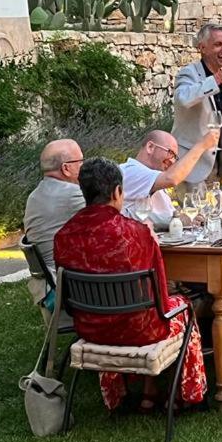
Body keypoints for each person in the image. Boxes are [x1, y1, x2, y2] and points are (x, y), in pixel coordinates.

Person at [54, 158, 207, 413]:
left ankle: (142, 392)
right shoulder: (136, 233)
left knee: (143, 308)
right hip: (139, 330)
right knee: (182, 305)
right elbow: (160, 295)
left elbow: (69, 299)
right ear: (117, 192)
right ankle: (187, 394)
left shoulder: (64, 235)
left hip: (91, 327)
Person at [172, 23, 222, 185]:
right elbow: (183, 99)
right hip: (192, 168)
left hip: (218, 169)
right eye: (218, 44)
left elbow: (218, 118)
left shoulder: (221, 76)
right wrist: (218, 79)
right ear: (202, 48)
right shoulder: (189, 73)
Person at [120, 128, 220, 228]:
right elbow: (172, 179)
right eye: (170, 153)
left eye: (175, 157)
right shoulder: (130, 171)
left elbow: (167, 216)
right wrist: (201, 145)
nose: (172, 161)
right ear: (150, 147)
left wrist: (187, 218)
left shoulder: (154, 179)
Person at [24, 139, 85, 276]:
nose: (84, 166)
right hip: (69, 279)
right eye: (81, 161)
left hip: (49, 279)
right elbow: (115, 221)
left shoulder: (34, 196)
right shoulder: (73, 194)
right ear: (66, 168)